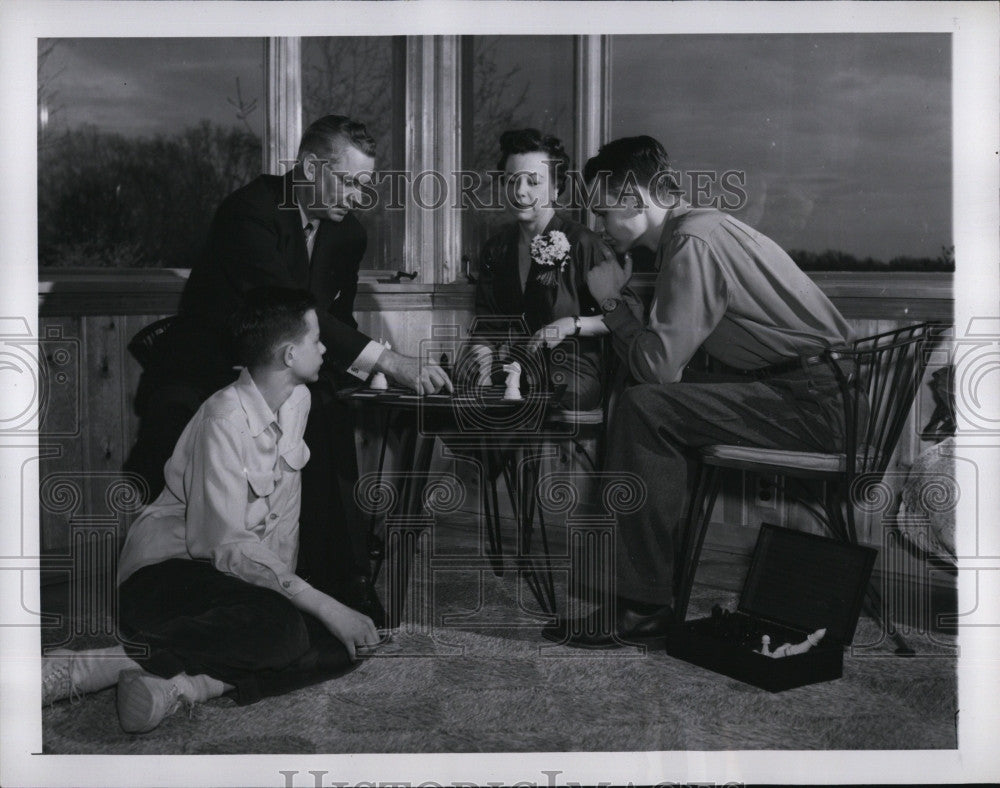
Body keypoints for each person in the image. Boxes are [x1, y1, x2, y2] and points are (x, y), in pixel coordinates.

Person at [125, 115, 452, 622]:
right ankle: (183, 586)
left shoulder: (348, 235)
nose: (357, 197)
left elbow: (333, 320)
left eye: (365, 187)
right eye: (348, 182)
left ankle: (345, 580)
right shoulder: (249, 212)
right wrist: (386, 359)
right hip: (203, 366)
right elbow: (286, 310)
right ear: (309, 167)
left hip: (279, 365)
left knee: (330, 411)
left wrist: (364, 374)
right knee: (179, 429)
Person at [543, 135, 854, 648]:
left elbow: (659, 371)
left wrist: (612, 303)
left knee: (645, 405)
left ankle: (641, 607)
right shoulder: (698, 230)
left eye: (603, 212)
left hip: (817, 407)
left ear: (635, 201)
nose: (599, 225)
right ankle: (640, 593)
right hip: (808, 394)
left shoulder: (692, 243)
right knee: (645, 400)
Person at [42, 288, 379, 733]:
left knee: (345, 640)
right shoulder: (223, 418)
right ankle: (87, 668)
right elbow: (220, 544)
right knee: (291, 628)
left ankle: (180, 688)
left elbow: (281, 523)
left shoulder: (298, 400)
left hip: (231, 582)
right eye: (317, 339)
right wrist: (309, 602)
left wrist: (300, 600)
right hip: (167, 576)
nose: (324, 348)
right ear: (289, 353)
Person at [464, 129, 641, 410]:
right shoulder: (496, 249)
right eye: (511, 181)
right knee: (460, 403)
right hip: (514, 371)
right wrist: (481, 358)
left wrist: (572, 324)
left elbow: (627, 316)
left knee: (525, 409)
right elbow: (488, 325)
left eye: (533, 182)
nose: (520, 191)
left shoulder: (583, 244)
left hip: (570, 374)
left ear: (556, 188)